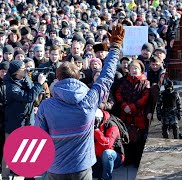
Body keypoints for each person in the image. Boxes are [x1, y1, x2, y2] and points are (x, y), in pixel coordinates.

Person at [34, 24, 125, 179]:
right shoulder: (90, 99)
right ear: (78, 77)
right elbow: (106, 77)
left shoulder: (46, 106)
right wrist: (115, 47)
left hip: (56, 168)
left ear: (58, 79)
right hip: (81, 167)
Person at [2, 60, 46, 180]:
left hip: (27, 121)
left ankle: (28, 175)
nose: (26, 69)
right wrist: (39, 83)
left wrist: (28, 76)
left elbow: (31, 88)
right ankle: (5, 177)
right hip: (14, 123)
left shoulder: (23, 79)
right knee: (9, 152)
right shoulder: (10, 86)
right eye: (23, 68)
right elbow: (29, 97)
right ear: (16, 72)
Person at [114, 59, 151, 167]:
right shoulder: (124, 81)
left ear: (141, 70)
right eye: (132, 68)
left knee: (138, 140)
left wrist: (133, 107)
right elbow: (118, 93)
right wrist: (124, 105)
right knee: (126, 138)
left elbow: (145, 97)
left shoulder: (145, 82)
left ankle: (137, 161)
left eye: (136, 68)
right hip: (125, 115)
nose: (134, 70)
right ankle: (127, 160)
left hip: (138, 115)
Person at [93, 108, 124, 180]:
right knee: (95, 174)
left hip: (114, 157)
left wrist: (97, 131)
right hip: (98, 157)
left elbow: (108, 145)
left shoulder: (112, 125)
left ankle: (106, 178)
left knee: (107, 153)